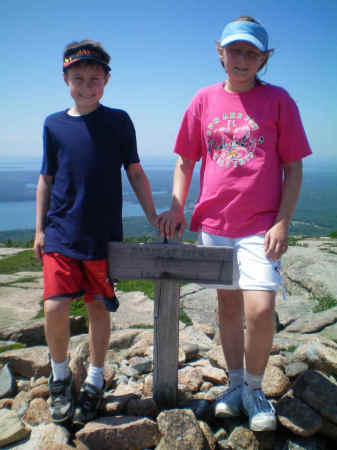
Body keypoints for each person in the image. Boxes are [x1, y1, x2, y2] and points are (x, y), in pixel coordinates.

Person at [158, 16, 311, 431]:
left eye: (251, 52)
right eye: (234, 50)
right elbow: (185, 161)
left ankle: (255, 389)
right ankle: (235, 384)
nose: (241, 59)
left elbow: (292, 168)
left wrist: (283, 221)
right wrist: (176, 207)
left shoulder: (279, 100)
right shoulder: (203, 99)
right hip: (214, 222)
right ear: (220, 53)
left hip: (260, 226)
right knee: (228, 307)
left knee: (260, 310)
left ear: (264, 58)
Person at [34, 40, 158, 425]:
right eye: (78, 79)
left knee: (97, 307)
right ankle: (58, 378)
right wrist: (39, 228)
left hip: (101, 237)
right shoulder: (53, 124)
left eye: (94, 78)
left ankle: (95, 379)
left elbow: (135, 170)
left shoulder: (119, 121)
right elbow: (46, 177)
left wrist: (154, 217)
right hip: (60, 232)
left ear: (106, 79)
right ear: (65, 80)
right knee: (54, 306)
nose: (86, 86)